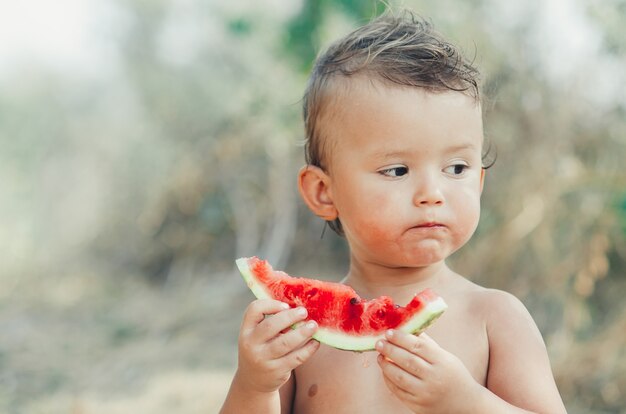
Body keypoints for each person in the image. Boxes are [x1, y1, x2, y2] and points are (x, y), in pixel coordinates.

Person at [221, 10, 567, 414]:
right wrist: (255, 385)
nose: (432, 193)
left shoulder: (496, 318)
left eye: (456, 168)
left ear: (479, 182)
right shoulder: (301, 331)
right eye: (397, 170)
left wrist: (465, 401)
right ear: (323, 192)